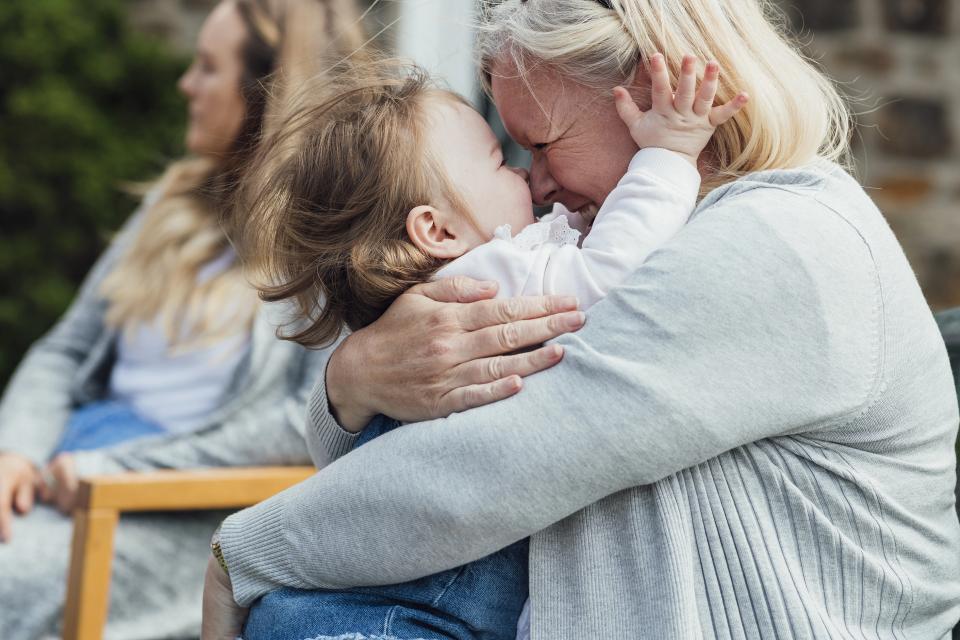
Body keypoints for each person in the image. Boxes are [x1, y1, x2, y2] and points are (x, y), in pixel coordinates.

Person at [203, 0, 960, 638]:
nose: (534, 185)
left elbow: (487, 472)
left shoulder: (778, 243)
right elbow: (419, 449)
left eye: (539, 143)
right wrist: (354, 378)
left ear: (652, 88)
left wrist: (246, 552)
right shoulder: (623, 238)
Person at [225, 53, 744, 640]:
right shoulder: (487, 277)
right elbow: (610, 273)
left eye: (540, 146)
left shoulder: (447, 285)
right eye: (502, 162)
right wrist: (668, 157)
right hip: (401, 620)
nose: (529, 177)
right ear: (438, 231)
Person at [0, 1, 367, 638]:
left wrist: (116, 471)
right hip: (67, 475)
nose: (185, 84)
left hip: (165, 509)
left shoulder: (329, 245)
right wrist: (14, 452)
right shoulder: (174, 203)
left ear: (264, 96)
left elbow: (299, 421)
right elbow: (63, 351)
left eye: (206, 67)